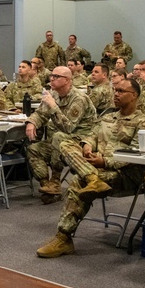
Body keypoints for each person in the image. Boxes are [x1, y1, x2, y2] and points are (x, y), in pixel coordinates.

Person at [36, 77, 145, 258]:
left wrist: (105, 162)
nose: (116, 94)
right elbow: (91, 134)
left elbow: (137, 154)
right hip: (98, 167)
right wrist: (87, 145)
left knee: (77, 181)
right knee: (65, 143)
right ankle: (92, 179)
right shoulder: (108, 116)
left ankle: (63, 237)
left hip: (126, 174)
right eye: (115, 90)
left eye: (121, 91)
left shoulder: (143, 123)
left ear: (134, 95)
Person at [25, 66, 98, 204]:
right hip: (59, 141)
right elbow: (41, 114)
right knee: (33, 149)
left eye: (56, 76)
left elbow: (68, 128)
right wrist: (32, 122)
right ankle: (46, 184)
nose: (52, 79)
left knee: (59, 136)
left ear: (67, 80)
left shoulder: (79, 98)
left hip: (80, 140)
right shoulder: (53, 94)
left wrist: (53, 106)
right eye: (51, 75)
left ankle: (56, 180)